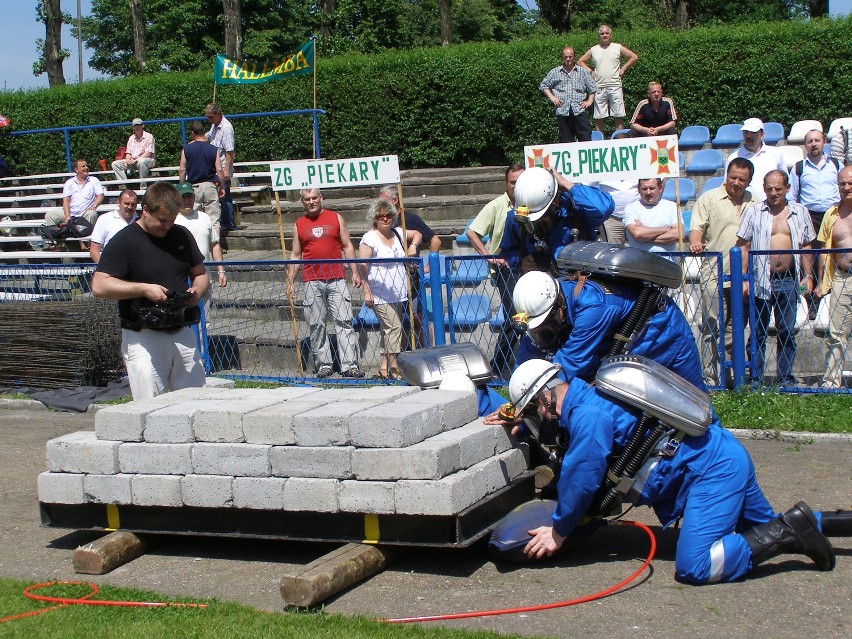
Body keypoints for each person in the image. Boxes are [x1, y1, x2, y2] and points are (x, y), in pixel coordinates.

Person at [487, 358, 840, 584]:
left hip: (710, 473)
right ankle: (828, 524)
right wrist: (511, 417)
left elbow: (583, 475)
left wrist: (560, 529)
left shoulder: (588, 417)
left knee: (695, 565)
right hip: (723, 455)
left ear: (545, 399)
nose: (538, 419)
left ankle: (790, 534)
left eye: (534, 411)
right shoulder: (589, 396)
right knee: (764, 527)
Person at [91, 182, 208, 400]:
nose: (167, 226)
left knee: (196, 402)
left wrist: (196, 291)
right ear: (145, 210)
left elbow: (200, 273)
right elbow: (99, 285)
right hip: (144, 336)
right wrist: (143, 289)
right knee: (150, 406)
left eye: (172, 221)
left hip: (182, 331)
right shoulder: (124, 241)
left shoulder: (181, 234)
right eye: (162, 220)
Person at [508, 269, 705, 391]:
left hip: (665, 333)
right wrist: (519, 391)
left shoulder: (593, 308)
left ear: (558, 306)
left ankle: (717, 450)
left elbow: (570, 363)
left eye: (546, 325)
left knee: (694, 401)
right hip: (626, 340)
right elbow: (528, 352)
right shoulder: (549, 300)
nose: (543, 331)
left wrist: (532, 394)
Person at [736, 170, 815, 387]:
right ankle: (756, 378)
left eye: (778, 189)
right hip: (761, 279)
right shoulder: (754, 212)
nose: (773, 193)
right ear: (764, 188)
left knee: (787, 331)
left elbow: (806, 245)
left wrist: (807, 276)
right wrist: (744, 279)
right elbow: (743, 246)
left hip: (789, 279)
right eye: (769, 189)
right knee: (758, 332)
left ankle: (785, 379)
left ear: (787, 188)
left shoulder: (800, 211)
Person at [286, 188, 365, 379]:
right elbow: (296, 254)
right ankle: (323, 365)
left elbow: (347, 246)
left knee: (344, 321)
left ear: (321, 198)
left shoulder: (336, 218)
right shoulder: (299, 224)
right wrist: (290, 282)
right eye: (307, 199)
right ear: (302, 202)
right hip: (311, 280)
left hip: (337, 278)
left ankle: (349, 365)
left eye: (314, 198)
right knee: (316, 324)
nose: (311, 201)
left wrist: (354, 271)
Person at [689, 158, 755, 386]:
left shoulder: (754, 201)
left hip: (744, 274)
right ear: (726, 174)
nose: (736, 182)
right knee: (711, 327)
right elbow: (696, 228)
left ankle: (733, 377)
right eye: (733, 176)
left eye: (742, 179)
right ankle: (711, 378)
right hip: (714, 271)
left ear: (749, 181)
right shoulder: (709, 198)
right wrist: (695, 242)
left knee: (735, 328)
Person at [466, 164, 525, 376]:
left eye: (521, 182)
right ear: (506, 183)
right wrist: (488, 255)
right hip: (506, 269)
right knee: (513, 318)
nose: (517, 186)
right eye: (513, 182)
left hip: (529, 266)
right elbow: (472, 232)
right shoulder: (497, 205)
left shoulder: (535, 202)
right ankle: (497, 367)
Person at [499, 167, 614, 276]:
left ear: (554, 200)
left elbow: (602, 208)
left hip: (579, 286)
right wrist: (522, 262)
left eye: (541, 214)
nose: (538, 219)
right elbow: (507, 253)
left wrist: (566, 184)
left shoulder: (575, 210)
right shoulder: (517, 219)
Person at [358, 198, 421, 379]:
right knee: (394, 327)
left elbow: (417, 234)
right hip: (379, 291)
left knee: (389, 330)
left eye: (389, 215)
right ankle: (394, 366)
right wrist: (366, 290)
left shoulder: (398, 233)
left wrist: (413, 247)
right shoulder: (369, 238)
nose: (385, 219)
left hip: (398, 290)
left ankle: (383, 368)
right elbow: (363, 266)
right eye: (381, 216)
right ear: (375, 218)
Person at [378, 185, 438, 351]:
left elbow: (435, 240)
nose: (379, 202)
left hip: (412, 279)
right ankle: (400, 358)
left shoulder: (410, 219)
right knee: (395, 321)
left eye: (382, 198)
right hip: (391, 280)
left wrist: (429, 265)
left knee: (419, 318)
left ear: (394, 200)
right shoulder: (382, 222)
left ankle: (428, 352)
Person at [790, 129, 841, 315]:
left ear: (824, 142)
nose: (813, 144)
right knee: (806, 264)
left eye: (817, 140)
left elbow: (844, 187)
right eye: (810, 141)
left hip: (831, 216)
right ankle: (806, 302)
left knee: (827, 259)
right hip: (807, 216)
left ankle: (824, 298)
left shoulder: (836, 164)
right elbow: (792, 196)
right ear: (805, 145)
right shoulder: (798, 168)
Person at [816, 165, 852, 389]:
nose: (847, 187)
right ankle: (831, 382)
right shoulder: (831, 214)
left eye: (851, 183)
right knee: (837, 333)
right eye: (843, 184)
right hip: (841, 278)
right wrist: (821, 282)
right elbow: (823, 250)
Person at [577, 25, 639, 135]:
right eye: (602, 33)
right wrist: (590, 71)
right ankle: (600, 141)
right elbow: (580, 61)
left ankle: (619, 140)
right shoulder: (594, 49)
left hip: (615, 85)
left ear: (611, 35)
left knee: (618, 114)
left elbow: (634, 57)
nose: (604, 35)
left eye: (606, 33)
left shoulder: (617, 47)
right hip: (599, 86)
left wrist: (623, 68)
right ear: (599, 35)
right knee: (599, 116)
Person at [173, 182, 227, 290]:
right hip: (180, 279)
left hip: (205, 277)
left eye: (190, 197)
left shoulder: (205, 218)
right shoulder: (171, 220)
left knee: (206, 307)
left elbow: (214, 245)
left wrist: (221, 271)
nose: (187, 200)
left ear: (194, 198)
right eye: (183, 197)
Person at [539, 46, 597, 144]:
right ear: (562, 57)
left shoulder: (582, 72)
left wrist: (589, 101)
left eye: (570, 56)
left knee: (585, 138)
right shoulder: (554, 72)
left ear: (574, 57)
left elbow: (592, 87)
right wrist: (552, 98)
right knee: (565, 141)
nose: (568, 59)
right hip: (562, 110)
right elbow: (543, 85)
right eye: (566, 57)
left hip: (579, 110)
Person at [726, 118, 787, 201]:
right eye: (746, 132)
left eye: (753, 132)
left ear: (762, 134)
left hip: (773, 206)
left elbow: (785, 181)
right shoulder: (734, 158)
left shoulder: (776, 154)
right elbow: (727, 186)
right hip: (744, 207)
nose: (748, 136)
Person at [178, 120, 226, 228]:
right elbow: (219, 169)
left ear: (192, 133)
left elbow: (182, 170)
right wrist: (222, 186)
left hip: (194, 187)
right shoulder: (213, 149)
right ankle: (215, 244)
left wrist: (181, 186)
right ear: (204, 132)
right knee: (214, 221)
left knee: (192, 219)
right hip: (210, 186)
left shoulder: (186, 149)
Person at [595, 132, 638, 245]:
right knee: (614, 252)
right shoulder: (600, 165)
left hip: (637, 218)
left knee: (639, 251)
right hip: (612, 219)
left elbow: (659, 181)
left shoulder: (639, 164)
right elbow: (584, 183)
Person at [623, 178, 683, 256]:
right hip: (640, 262)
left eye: (652, 188)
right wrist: (666, 229)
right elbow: (637, 233)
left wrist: (644, 237)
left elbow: (679, 234)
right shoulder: (630, 208)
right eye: (644, 189)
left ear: (660, 188)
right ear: (638, 189)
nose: (648, 192)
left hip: (667, 262)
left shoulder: (672, 206)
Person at [205, 102, 239, 231]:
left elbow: (230, 151)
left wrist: (225, 171)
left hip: (223, 165)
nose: (209, 119)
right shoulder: (215, 125)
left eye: (211, 117)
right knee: (222, 195)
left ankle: (228, 223)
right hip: (216, 164)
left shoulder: (226, 128)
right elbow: (209, 137)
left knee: (225, 196)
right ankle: (226, 222)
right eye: (207, 117)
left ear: (218, 114)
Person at [46, 159, 104, 228]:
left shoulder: (94, 180)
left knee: (92, 214)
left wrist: (94, 206)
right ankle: (54, 236)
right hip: (71, 212)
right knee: (50, 215)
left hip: (85, 213)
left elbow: (100, 195)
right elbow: (66, 201)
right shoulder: (69, 182)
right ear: (76, 170)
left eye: (86, 166)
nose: (86, 168)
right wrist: (67, 217)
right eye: (83, 166)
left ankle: (85, 237)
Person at [89, 189, 138, 263]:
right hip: (110, 268)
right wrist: (104, 269)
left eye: (133, 204)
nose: (130, 207)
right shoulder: (105, 219)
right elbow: (94, 250)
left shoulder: (140, 221)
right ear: (118, 203)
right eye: (126, 203)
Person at [112, 118, 155, 186]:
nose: (137, 127)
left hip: (147, 161)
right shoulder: (131, 138)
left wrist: (136, 160)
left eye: (138, 125)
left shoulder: (149, 136)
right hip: (133, 162)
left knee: (141, 161)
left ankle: (143, 186)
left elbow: (148, 153)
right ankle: (124, 185)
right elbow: (128, 153)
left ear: (142, 126)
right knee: (115, 164)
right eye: (135, 125)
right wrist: (127, 160)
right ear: (133, 127)